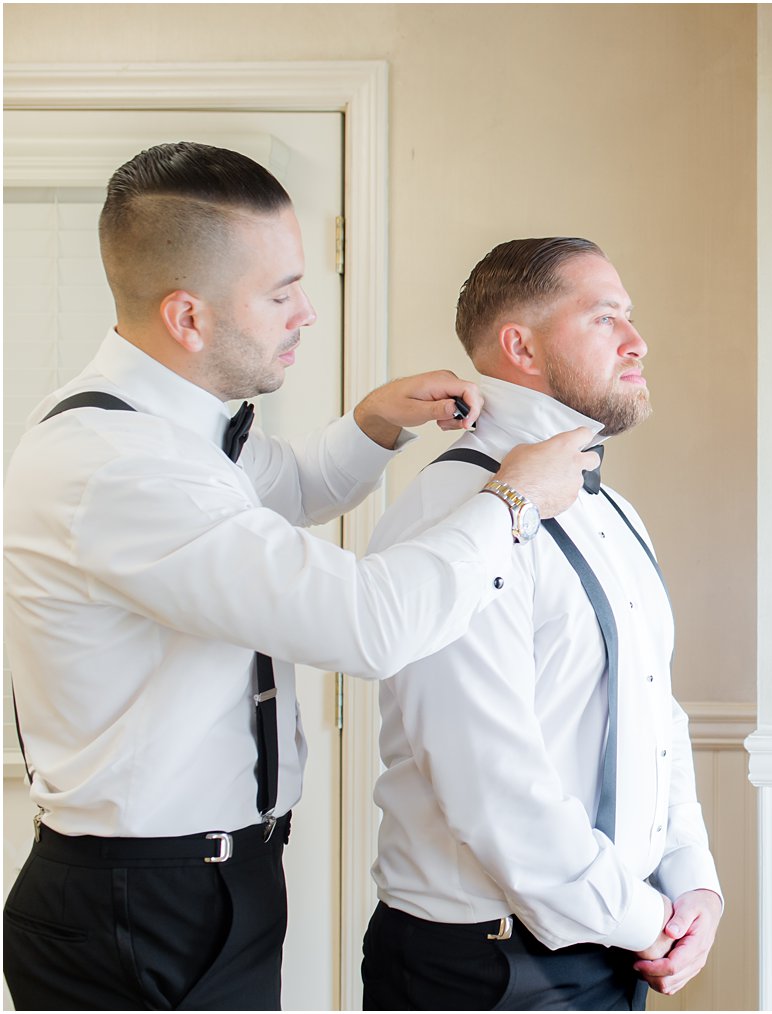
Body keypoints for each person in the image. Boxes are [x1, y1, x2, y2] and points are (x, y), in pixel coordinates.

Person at [1, 143, 596, 1011]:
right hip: (140, 903)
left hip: (211, 879)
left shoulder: (174, 431)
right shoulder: (120, 468)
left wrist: (375, 424)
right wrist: (512, 503)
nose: (307, 313)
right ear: (189, 317)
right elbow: (370, 625)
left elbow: (282, 491)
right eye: (280, 292)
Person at [360, 238, 723, 1011]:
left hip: (615, 945)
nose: (638, 340)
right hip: (485, 972)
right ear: (519, 346)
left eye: (630, 315)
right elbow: (492, 784)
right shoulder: (450, 521)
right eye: (605, 317)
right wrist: (647, 917)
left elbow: (655, 710)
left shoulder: (618, 513)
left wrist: (692, 880)